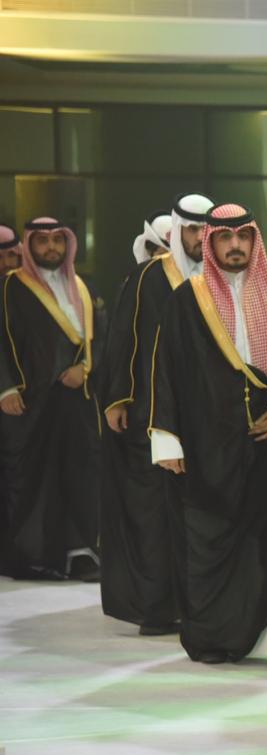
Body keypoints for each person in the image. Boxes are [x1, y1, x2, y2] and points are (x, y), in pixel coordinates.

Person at [149, 203, 267, 664]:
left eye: (243, 237)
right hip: (205, 442)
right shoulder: (188, 297)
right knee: (206, 540)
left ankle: (258, 632)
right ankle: (211, 637)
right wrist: (167, 437)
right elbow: (166, 368)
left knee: (264, 539)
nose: (235, 246)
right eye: (225, 238)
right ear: (210, 243)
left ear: (254, 240)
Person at [100, 193, 213, 634]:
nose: (200, 237)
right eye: (193, 229)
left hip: (203, 416)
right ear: (179, 230)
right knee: (152, 517)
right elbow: (123, 339)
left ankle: (198, 605)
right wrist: (119, 397)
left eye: (206, 229)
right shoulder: (149, 276)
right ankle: (157, 607)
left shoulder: (220, 279)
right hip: (149, 415)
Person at [0, 217, 105, 582]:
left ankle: (79, 553)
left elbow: (102, 338)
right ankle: (34, 556)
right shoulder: (11, 286)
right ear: (29, 246)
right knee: (36, 480)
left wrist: (86, 370)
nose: (50, 248)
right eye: (42, 241)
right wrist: (6, 388)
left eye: (57, 240)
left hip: (77, 400)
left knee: (80, 473)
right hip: (31, 403)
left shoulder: (82, 286)